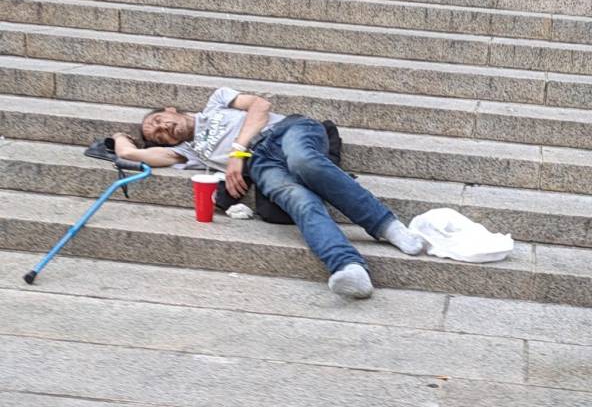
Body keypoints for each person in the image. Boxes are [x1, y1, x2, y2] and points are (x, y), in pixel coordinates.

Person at [113, 87, 424, 299]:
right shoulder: (189, 153)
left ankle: (386, 226)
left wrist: (238, 151)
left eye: (158, 121)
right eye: (158, 135)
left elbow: (261, 106)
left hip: (287, 131)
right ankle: (348, 268)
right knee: (298, 200)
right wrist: (119, 139)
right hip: (261, 165)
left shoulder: (217, 101)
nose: (164, 129)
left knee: (305, 163)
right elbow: (137, 155)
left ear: (171, 109)